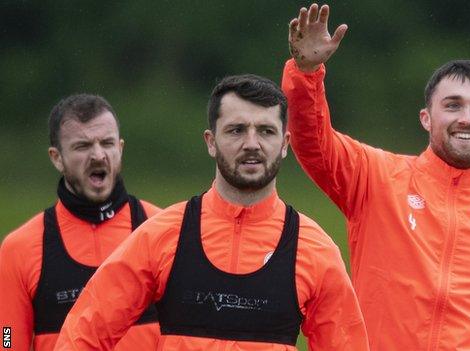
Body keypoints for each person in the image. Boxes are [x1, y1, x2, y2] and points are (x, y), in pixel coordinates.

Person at [282, 3, 470, 350]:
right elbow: (313, 142)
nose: (466, 118)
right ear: (426, 118)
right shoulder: (376, 176)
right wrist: (306, 73)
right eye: (452, 105)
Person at [54, 74, 369, 351]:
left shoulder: (314, 249)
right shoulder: (163, 234)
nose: (252, 143)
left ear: (285, 143)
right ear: (211, 141)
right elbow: (85, 332)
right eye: (235, 130)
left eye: (266, 131)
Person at [0, 94, 161, 350]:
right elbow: (6, 338)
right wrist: (5, 338)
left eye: (107, 143)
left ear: (120, 148)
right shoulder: (19, 248)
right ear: (56, 158)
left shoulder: (163, 230)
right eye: (82, 146)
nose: (98, 155)